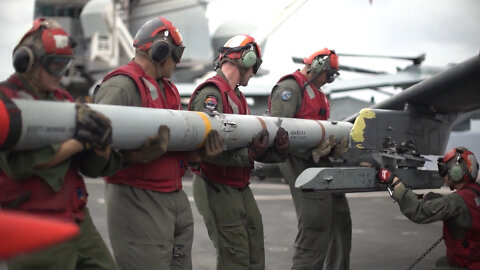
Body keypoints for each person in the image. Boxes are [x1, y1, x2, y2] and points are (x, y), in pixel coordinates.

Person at [94, 16, 223, 270]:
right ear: (159, 50)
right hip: (138, 200)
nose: (177, 62)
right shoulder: (122, 86)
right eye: (175, 54)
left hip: (172, 197)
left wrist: (196, 156)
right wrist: (134, 157)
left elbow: (172, 148)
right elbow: (95, 148)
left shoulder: (168, 90)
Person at [0, 18, 119, 270]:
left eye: (65, 65)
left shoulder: (63, 100)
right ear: (28, 62)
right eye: (54, 65)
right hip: (32, 223)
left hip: (75, 218)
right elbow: (18, 165)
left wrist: (102, 146)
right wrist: (78, 142)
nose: (60, 74)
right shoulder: (5, 102)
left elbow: (89, 168)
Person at [188, 34, 290, 270]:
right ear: (246, 59)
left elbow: (247, 146)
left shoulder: (237, 98)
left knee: (255, 253)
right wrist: (249, 154)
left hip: (237, 183)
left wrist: (278, 152)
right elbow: (205, 148)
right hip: (215, 183)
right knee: (234, 257)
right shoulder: (211, 95)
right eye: (254, 66)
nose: (254, 72)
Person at [269, 48, 351, 270]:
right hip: (297, 161)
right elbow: (279, 132)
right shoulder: (290, 88)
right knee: (315, 224)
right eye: (330, 75)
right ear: (317, 68)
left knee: (339, 218)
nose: (330, 81)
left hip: (317, 162)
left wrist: (331, 149)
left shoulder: (318, 93)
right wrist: (311, 152)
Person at [378, 147, 480, 269]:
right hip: (473, 258)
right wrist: (423, 197)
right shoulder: (474, 193)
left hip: (470, 264)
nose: (442, 175)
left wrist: (394, 182)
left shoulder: (457, 201)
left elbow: (418, 212)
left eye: (443, 170)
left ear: (456, 172)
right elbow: (450, 204)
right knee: (441, 263)